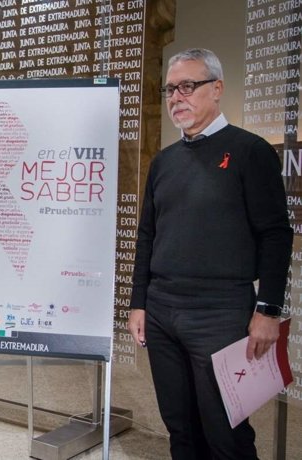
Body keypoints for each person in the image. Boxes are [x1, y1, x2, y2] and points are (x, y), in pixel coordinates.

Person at [128, 48, 292, 459]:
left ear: (216, 89)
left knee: (226, 431)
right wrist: (138, 302)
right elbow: (147, 235)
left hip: (220, 312)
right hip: (163, 309)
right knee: (180, 428)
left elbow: (276, 234)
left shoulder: (250, 152)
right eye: (170, 89)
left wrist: (268, 310)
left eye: (188, 86)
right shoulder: (164, 162)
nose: (176, 98)